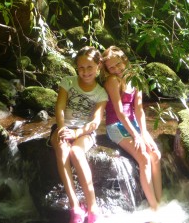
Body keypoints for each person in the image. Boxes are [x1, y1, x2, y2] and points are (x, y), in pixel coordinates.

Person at [50, 46, 108, 223]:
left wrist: (77, 132)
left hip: (85, 131)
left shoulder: (101, 93)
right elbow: (59, 106)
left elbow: (95, 122)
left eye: (90, 67)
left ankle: (92, 207)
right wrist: (61, 128)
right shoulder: (68, 82)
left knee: (76, 152)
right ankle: (74, 206)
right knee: (62, 148)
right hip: (64, 127)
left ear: (98, 67)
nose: (85, 72)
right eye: (81, 67)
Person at [101, 45, 162, 210]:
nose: (116, 69)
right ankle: (154, 207)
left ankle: (160, 199)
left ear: (124, 61)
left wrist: (144, 134)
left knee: (155, 154)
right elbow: (120, 113)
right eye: (111, 67)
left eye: (118, 64)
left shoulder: (135, 78)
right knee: (144, 157)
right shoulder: (113, 81)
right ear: (107, 70)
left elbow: (139, 109)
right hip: (116, 125)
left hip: (133, 123)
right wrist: (136, 136)